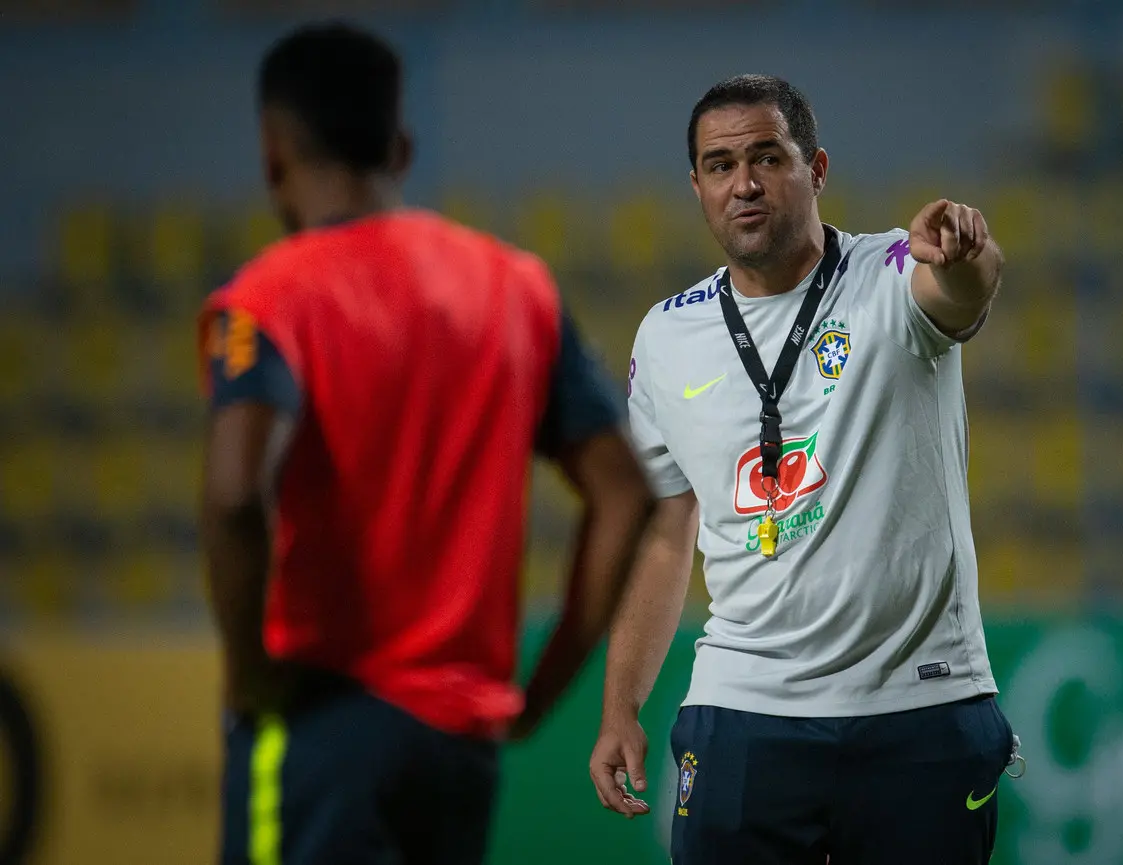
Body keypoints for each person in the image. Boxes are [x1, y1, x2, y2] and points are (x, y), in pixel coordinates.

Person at [199, 22, 654, 865]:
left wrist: (250, 676)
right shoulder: (515, 288)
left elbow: (233, 494)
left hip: (318, 727)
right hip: (458, 751)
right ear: (400, 148)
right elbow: (625, 491)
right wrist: (538, 691)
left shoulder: (269, 299)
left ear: (272, 154)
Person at [589, 74, 1018, 865]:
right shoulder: (666, 337)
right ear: (696, 187)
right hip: (744, 711)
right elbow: (665, 530)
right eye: (720, 166)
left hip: (920, 704)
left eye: (767, 158)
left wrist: (966, 250)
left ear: (815, 170)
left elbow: (963, 291)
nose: (744, 184)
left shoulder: (892, 271)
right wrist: (621, 705)